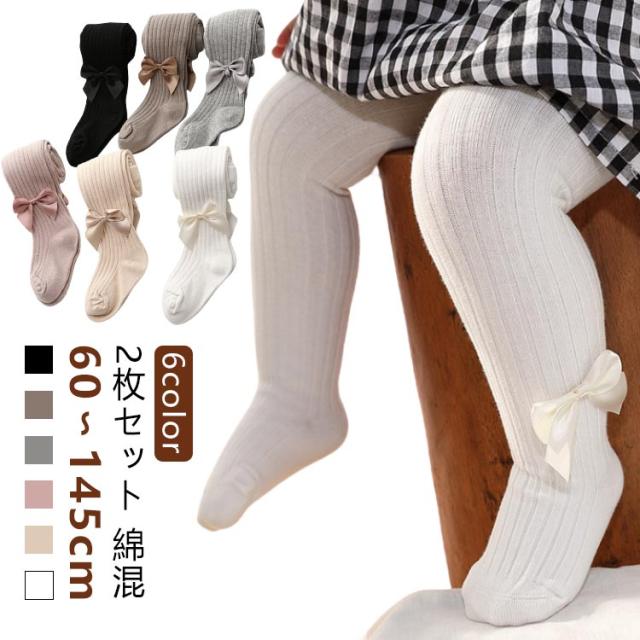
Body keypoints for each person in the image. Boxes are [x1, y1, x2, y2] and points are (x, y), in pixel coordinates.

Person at [198, 2, 639, 627]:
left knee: (475, 162)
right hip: (478, 19)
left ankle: (566, 473)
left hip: (589, 28)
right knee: (290, 128)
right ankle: (294, 396)